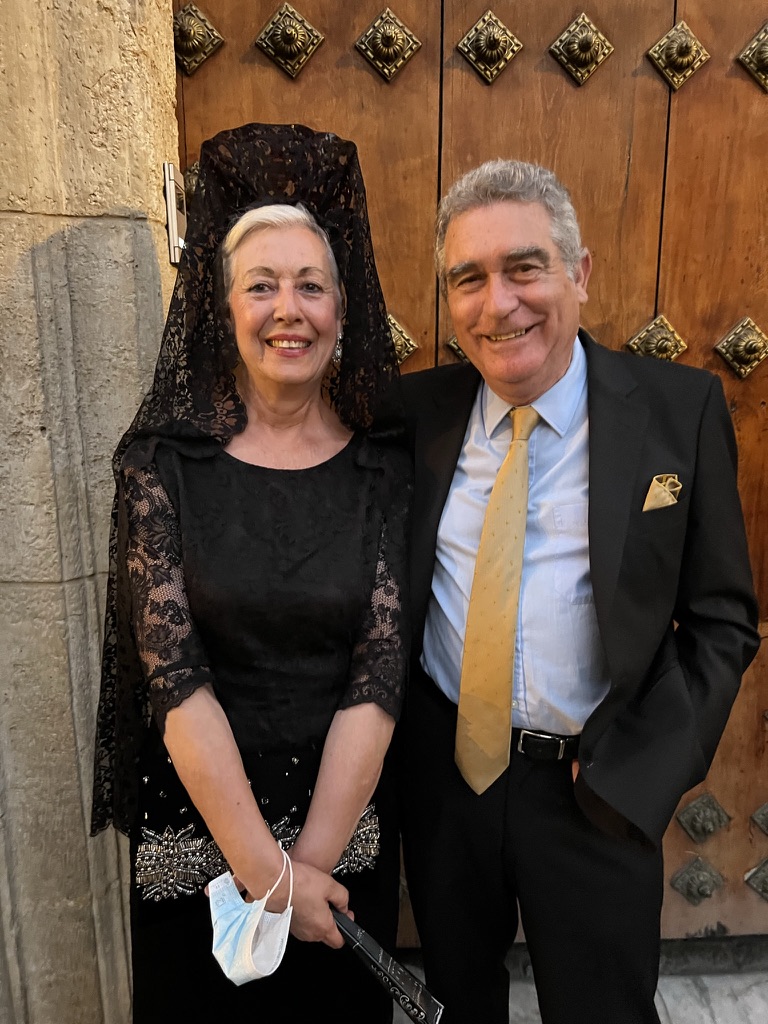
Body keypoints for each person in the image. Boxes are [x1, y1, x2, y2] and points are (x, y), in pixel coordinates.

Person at [396, 158, 760, 1024]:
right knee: (455, 1004)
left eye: (524, 267)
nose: (498, 304)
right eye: (468, 279)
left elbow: (723, 619)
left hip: (595, 789)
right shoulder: (411, 416)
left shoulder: (679, 411)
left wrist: (646, 770)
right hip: (448, 783)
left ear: (580, 273)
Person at [90, 123, 411, 1024]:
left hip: (340, 858)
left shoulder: (385, 471)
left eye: (311, 285)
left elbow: (379, 676)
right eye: (261, 285)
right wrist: (272, 880)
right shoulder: (159, 468)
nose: (288, 309)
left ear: (342, 308)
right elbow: (174, 681)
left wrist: (309, 873)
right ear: (221, 307)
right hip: (199, 860)